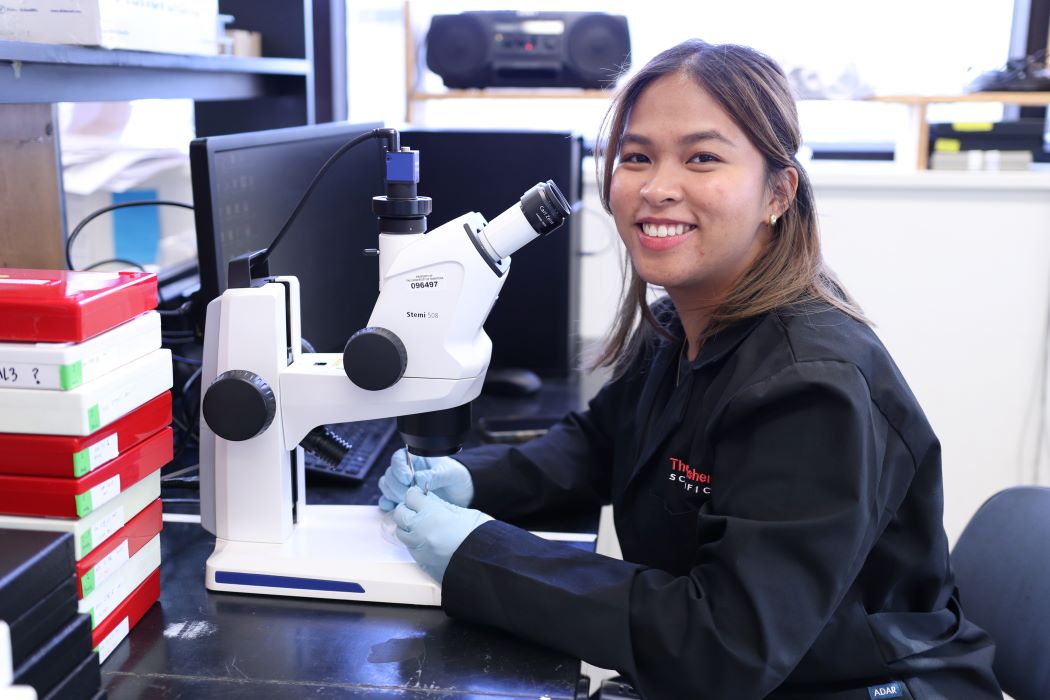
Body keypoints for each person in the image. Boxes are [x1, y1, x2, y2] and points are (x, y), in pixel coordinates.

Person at [378, 39, 1003, 700]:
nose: (657, 188)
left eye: (702, 158)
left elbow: (725, 644)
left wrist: (481, 555)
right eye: (637, 157)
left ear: (777, 192)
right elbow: (599, 445)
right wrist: (469, 480)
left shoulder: (812, 387)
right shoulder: (686, 322)